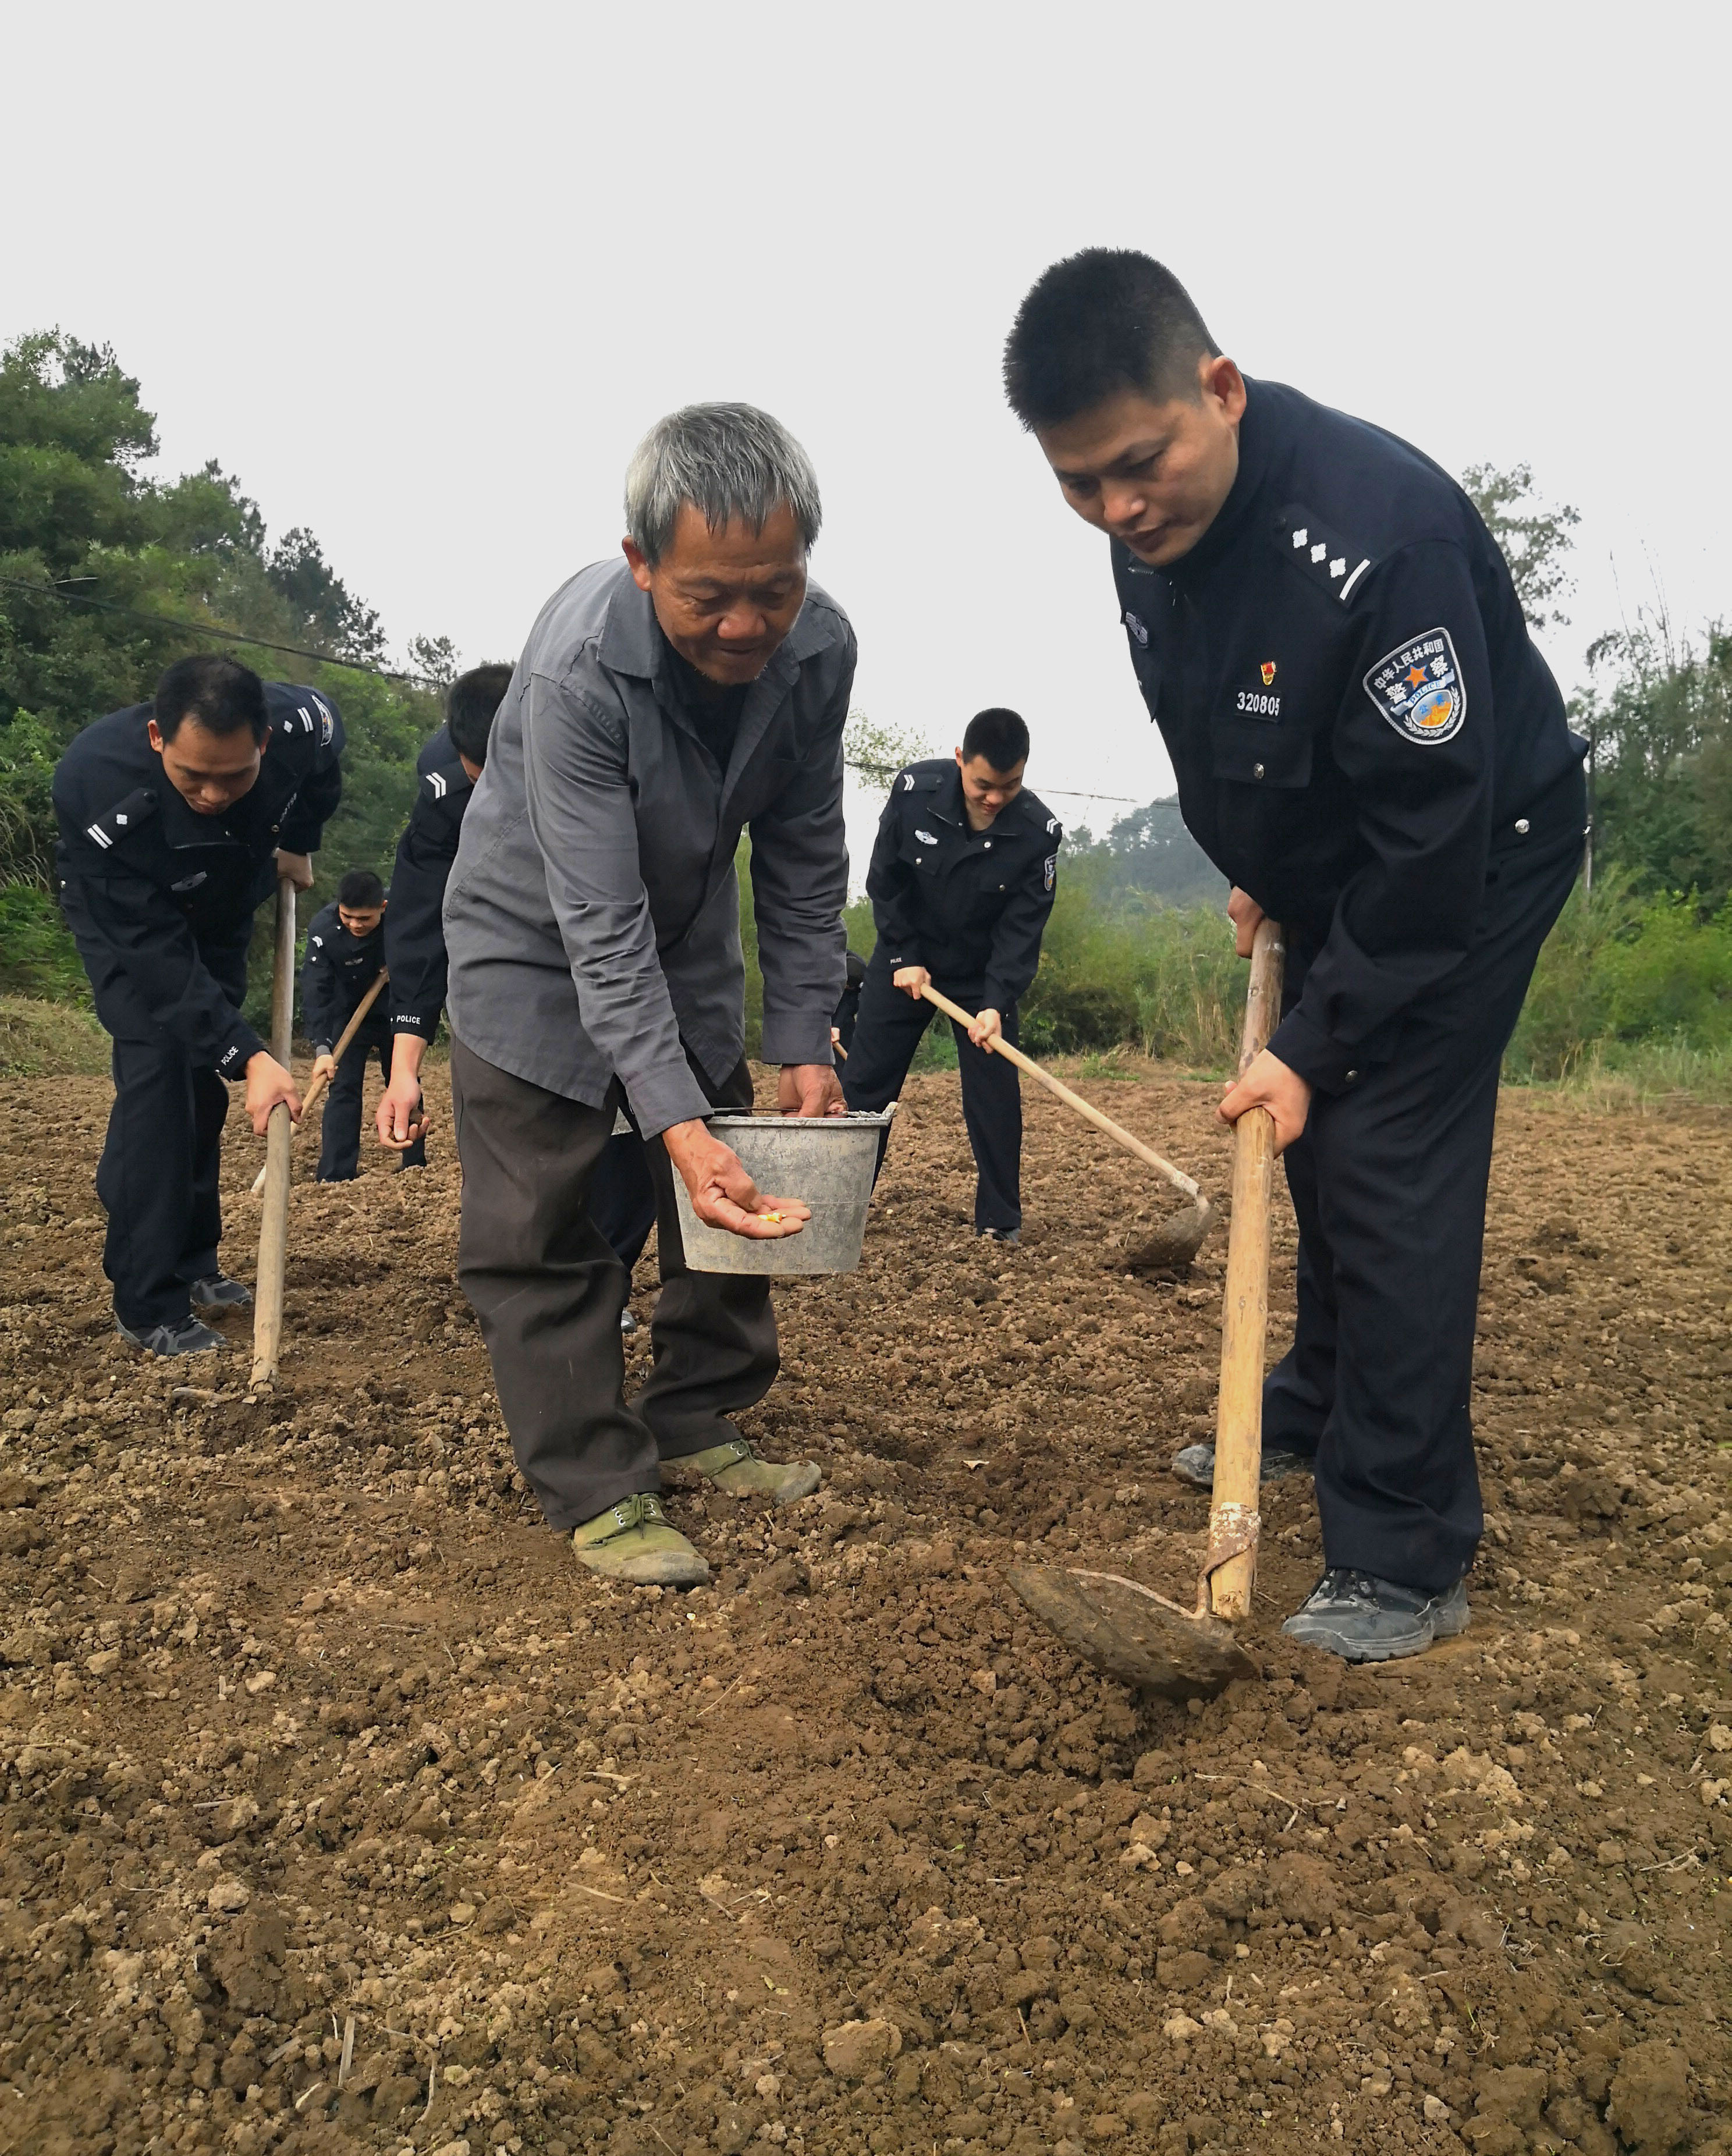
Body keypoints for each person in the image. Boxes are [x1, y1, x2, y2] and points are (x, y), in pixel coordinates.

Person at [1003, 249, 1588, 1663]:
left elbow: (1430, 854)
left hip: (1472, 854)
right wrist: (1263, 875)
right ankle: (1317, 1398)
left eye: (1138, 465)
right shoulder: (1142, 535)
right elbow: (1205, 721)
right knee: (1316, 1142)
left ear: (1220, 388)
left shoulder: (1381, 540)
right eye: (1079, 484)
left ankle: (1399, 1545)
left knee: (1383, 1150)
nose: (1117, 508)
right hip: (1338, 857)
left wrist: (1311, 1047)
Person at [442, 403, 856, 1587]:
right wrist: (668, 1118)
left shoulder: (818, 651)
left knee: (734, 1185)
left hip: (680, 943)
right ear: (642, 564)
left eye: (772, 591)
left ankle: (697, 1414)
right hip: (534, 943)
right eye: (708, 596)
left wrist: (802, 1034)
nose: (745, 625)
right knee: (546, 1229)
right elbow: (592, 917)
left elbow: (803, 846)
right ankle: (595, 1481)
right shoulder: (579, 667)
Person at [53, 655, 343, 1355]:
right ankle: (148, 1299)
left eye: (234, 776)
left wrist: (299, 843)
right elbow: (155, 958)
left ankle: (193, 1260)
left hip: (222, 894)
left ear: (266, 743)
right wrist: (250, 1055)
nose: (213, 792)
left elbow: (325, 770)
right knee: (160, 1080)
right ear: (157, 737)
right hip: (133, 917)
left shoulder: (306, 725)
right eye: (192, 776)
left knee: (202, 1090)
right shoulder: (95, 781)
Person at [376, 664, 658, 1312]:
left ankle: (604, 1283)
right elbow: (421, 926)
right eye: (481, 774)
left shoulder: (615, 757)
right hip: (507, 977)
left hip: (617, 944)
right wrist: (404, 1069)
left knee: (626, 1133)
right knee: (511, 1137)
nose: (493, 786)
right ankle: (530, 1293)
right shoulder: (445, 789)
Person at [842, 709, 1062, 1244]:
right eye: (983, 784)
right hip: (906, 960)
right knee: (866, 1085)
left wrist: (996, 1001)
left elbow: (1021, 929)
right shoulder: (915, 791)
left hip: (981, 978)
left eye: (1008, 786)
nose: (993, 797)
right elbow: (885, 879)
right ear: (961, 760)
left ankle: (999, 1220)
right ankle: (838, 1206)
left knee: (994, 1094)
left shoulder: (1039, 834)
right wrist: (902, 956)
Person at [301, 868, 422, 1180]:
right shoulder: (324, 931)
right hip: (348, 1014)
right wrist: (322, 1048)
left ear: (382, 907)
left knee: (401, 1081)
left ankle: (414, 1165)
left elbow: (427, 951)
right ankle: (335, 1174)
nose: (355, 924)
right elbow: (317, 992)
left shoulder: (403, 914)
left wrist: (403, 964)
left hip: (394, 1010)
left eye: (364, 919)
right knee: (343, 1088)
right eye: (347, 916)